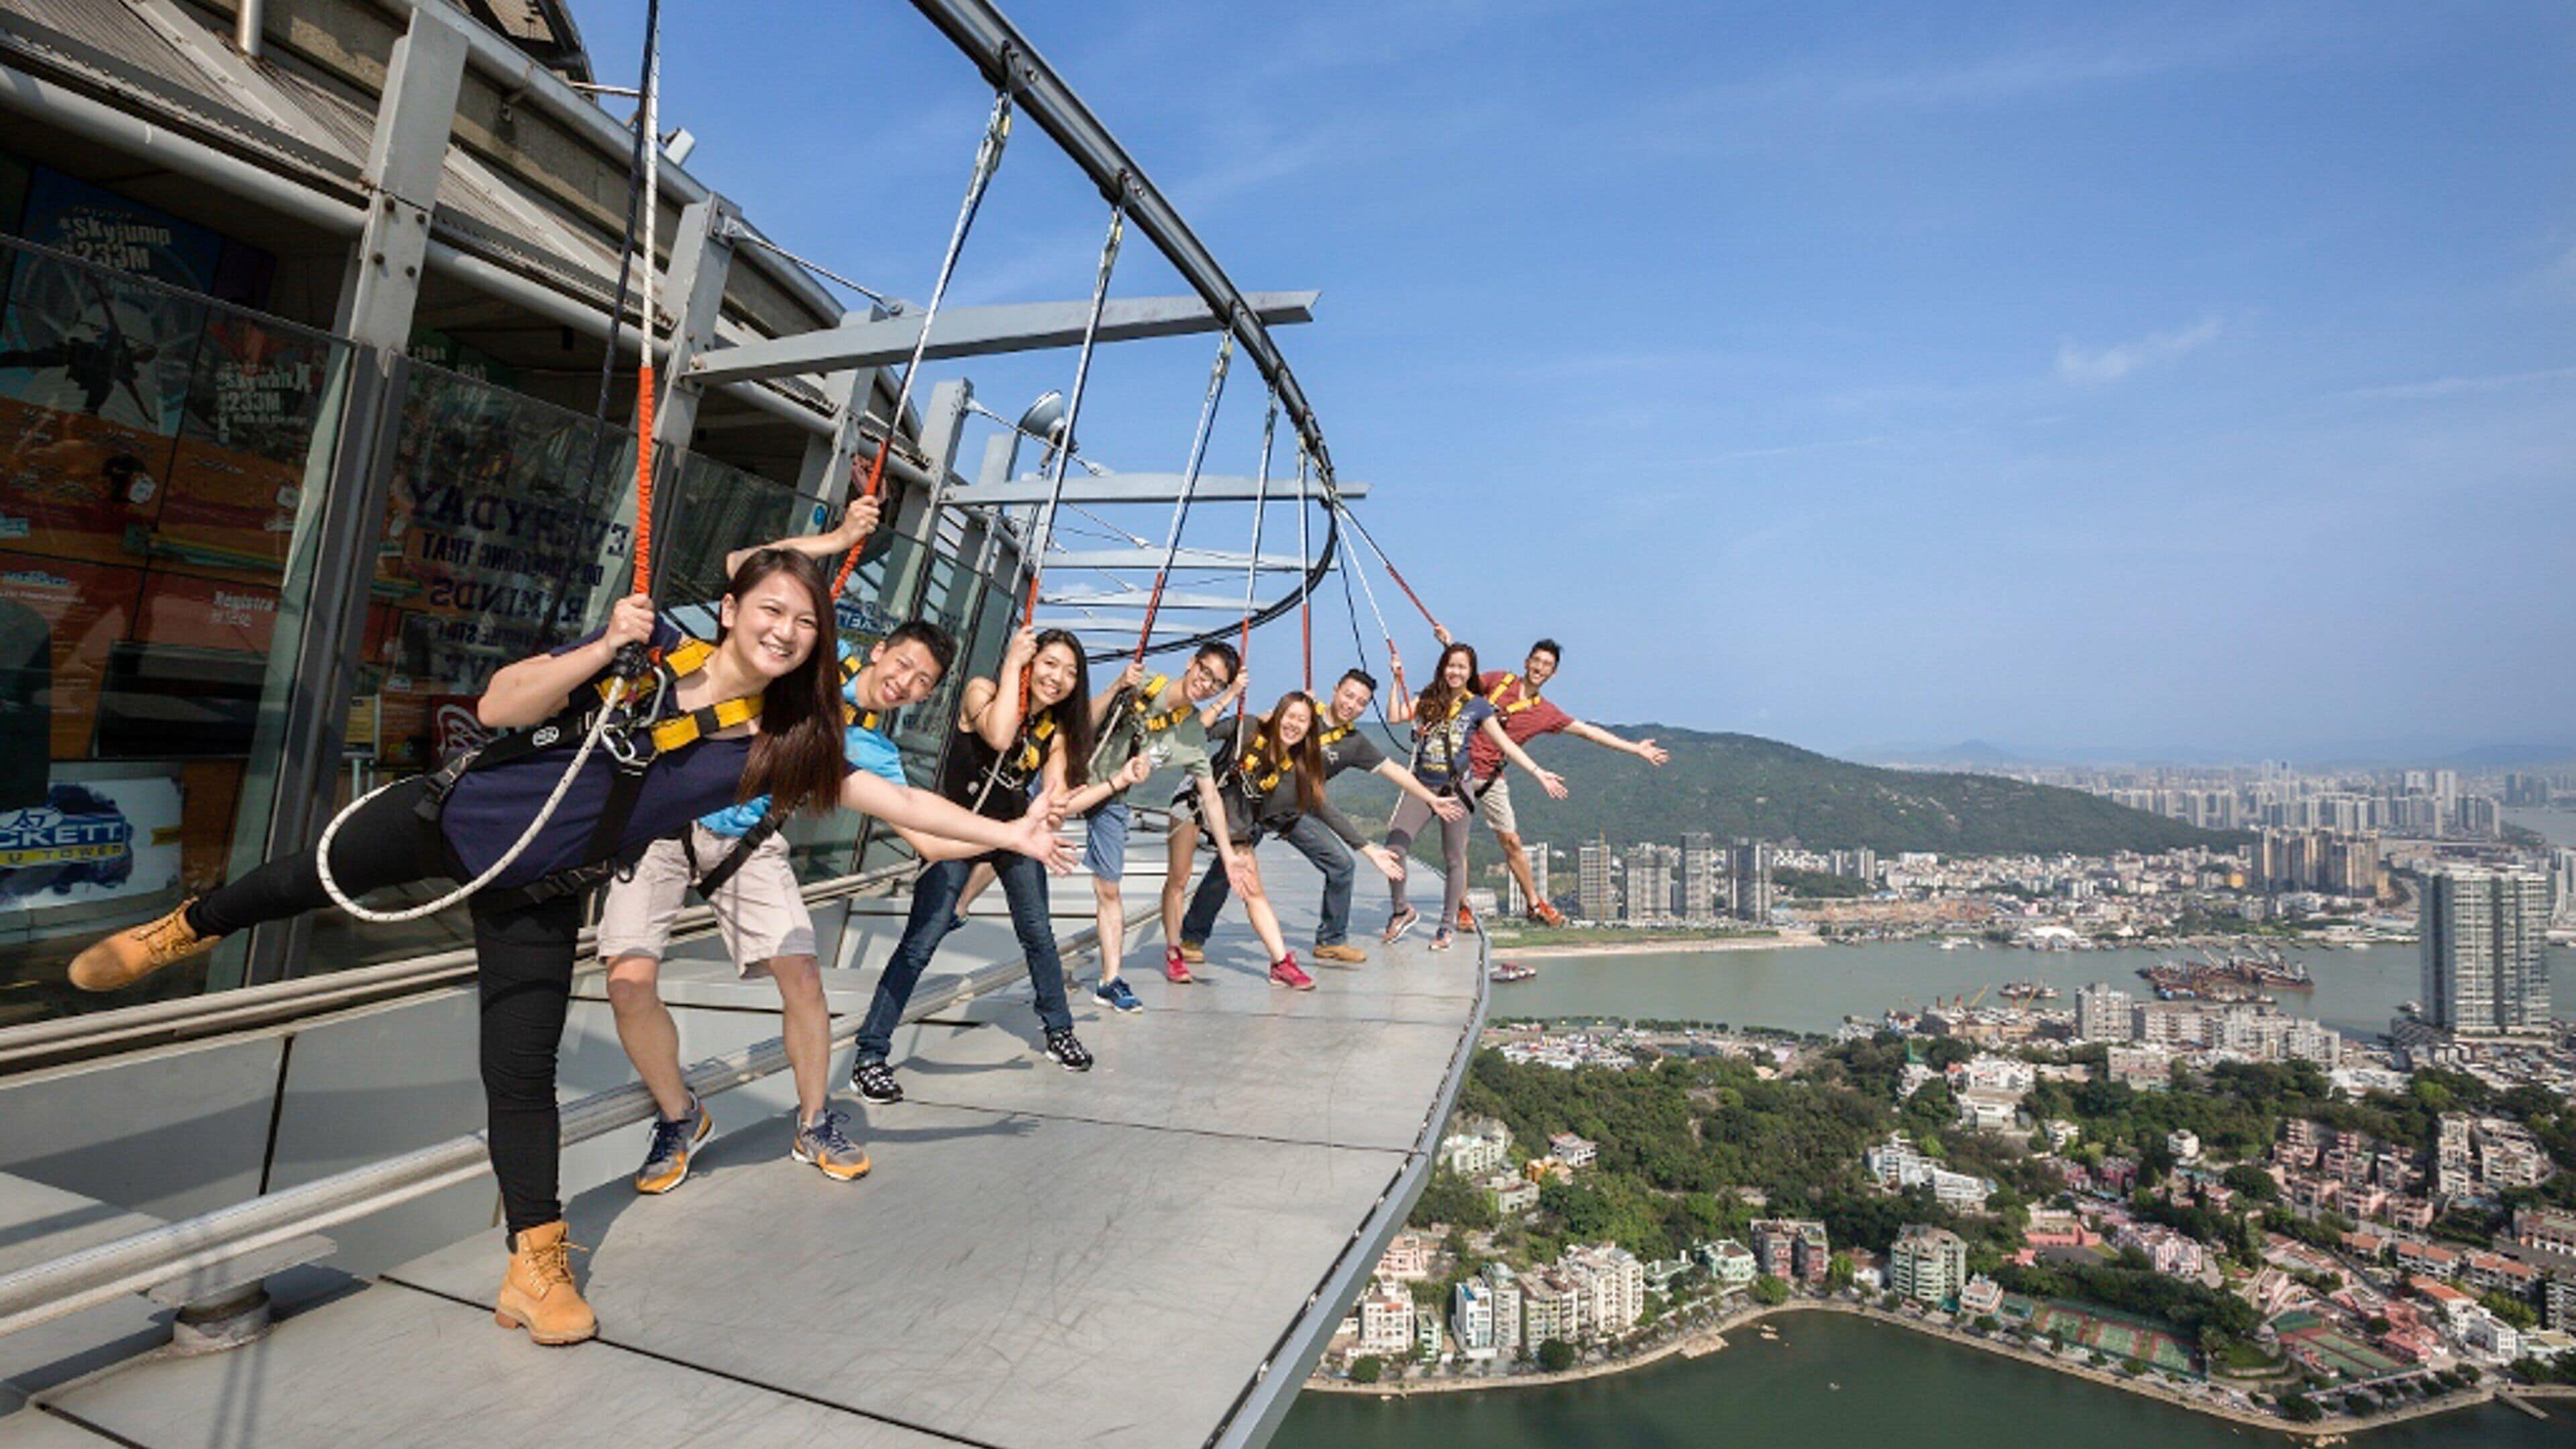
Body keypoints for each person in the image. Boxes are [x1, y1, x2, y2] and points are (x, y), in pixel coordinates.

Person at [63, 549, 1069, 1348]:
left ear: (816, 649)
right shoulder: (646, 650)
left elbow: (893, 800)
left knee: (520, 1071)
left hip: (537, 896)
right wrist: (602, 652)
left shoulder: (781, 742)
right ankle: (179, 931)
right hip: (455, 817)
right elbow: (503, 707)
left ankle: (533, 1265)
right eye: (772, 609)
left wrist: (1013, 833)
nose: (785, 630)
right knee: (297, 876)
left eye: (805, 625)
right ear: (731, 608)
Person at [596, 504, 969, 1194]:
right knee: (628, 983)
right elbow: (746, 569)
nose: (907, 684)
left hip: (748, 841)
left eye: (924, 685)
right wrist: (838, 542)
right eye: (906, 664)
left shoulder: (874, 748)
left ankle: (814, 1120)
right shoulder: (804, 658)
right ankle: (680, 1115)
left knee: (803, 978)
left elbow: (922, 832)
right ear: (881, 649)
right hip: (666, 818)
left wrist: (1013, 836)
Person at [849, 627, 1104, 1105]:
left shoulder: (1055, 730)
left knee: (1038, 933)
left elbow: (1053, 793)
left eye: (1070, 672)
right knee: (920, 942)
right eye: (1049, 664)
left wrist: (1059, 804)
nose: (1059, 678)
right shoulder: (982, 691)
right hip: (956, 831)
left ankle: (1059, 1030)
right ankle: (870, 1055)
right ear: (1030, 660)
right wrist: (1012, 665)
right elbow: (1000, 733)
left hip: (1011, 834)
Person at [1172, 667, 1463, 967]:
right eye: (1348, 695)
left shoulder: (1353, 743)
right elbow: (1267, 723)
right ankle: (1192, 936)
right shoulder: (1304, 717)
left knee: (1341, 865)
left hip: (1293, 808)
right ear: (1335, 690)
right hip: (1251, 804)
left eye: (1361, 702)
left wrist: (1431, 799)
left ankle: (1331, 941)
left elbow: (1395, 771)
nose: (1352, 705)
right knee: (1229, 868)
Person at [1159, 690, 1405, 989]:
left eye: (1303, 721)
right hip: (1197, 801)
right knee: (1179, 879)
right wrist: (1230, 696)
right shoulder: (1247, 729)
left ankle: (1280, 963)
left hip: (1236, 822)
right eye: (1290, 717)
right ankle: (1176, 950)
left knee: (1252, 889)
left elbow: (1324, 808)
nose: (1294, 725)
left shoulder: (1299, 768)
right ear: (1276, 716)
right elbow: (1200, 729)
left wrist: (1368, 849)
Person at [1069, 643, 1240, 1013]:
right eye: (1205, 672)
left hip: (1111, 797)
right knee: (1011, 842)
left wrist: (1227, 854)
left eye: (1217, 683)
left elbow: (1211, 798)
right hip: (1069, 771)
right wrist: (1116, 686)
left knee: (1109, 889)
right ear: (1191, 664)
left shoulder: (1192, 733)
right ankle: (961, 906)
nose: (1206, 684)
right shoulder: (1143, 684)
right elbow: (1083, 723)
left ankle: (1109, 980)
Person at [1461, 637, 1670, 928]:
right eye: (1536, 661)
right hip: (1459, 768)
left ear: (1553, 674)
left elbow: (1587, 732)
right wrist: (1451, 649)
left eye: (1547, 665)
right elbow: (1460, 682)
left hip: (1492, 776)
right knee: (1459, 842)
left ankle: (1534, 905)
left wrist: (1635, 749)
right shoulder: (1498, 681)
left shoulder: (1545, 712)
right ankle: (1462, 906)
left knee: (1512, 842)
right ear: (1526, 662)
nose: (1539, 667)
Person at [1381, 640, 1565, 952]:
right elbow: (1396, 715)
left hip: (1455, 789)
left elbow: (1506, 745)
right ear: (1443, 668)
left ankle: (1446, 925)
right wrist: (1395, 679)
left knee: (1454, 858)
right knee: (1394, 849)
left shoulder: (1478, 705)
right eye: (1451, 666)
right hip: (1422, 785)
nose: (1455, 672)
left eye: (1462, 667)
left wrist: (1538, 772)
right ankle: (1401, 911)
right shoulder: (1429, 699)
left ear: (1470, 673)